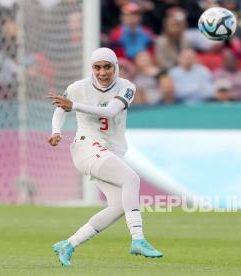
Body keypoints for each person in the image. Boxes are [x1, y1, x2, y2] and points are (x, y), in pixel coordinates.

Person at [47, 47, 163, 267]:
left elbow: (110, 111)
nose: (102, 72)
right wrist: (56, 131)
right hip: (86, 147)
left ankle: (69, 244)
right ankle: (138, 239)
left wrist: (75, 106)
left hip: (110, 152)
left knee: (119, 206)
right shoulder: (77, 88)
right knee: (132, 179)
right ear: (91, 68)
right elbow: (60, 109)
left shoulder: (127, 87)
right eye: (97, 67)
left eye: (107, 67)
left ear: (115, 67)